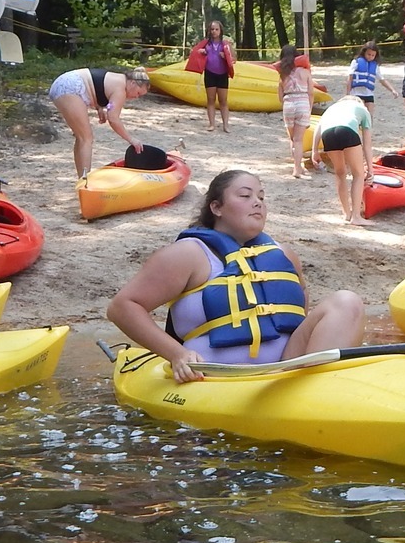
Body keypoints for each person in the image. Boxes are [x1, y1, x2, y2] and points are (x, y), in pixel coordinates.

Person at [107, 168, 365, 382]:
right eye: (245, 195)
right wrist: (175, 353)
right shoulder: (188, 254)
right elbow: (123, 307)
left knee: (347, 300)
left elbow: (299, 312)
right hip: (218, 377)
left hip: (284, 372)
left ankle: (317, 388)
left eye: (262, 198)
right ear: (217, 208)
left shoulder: (283, 254)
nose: (257, 203)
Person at [49, 65, 152, 178]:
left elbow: (98, 86)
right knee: (86, 138)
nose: (136, 97)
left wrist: (99, 107)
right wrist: (131, 139)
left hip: (65, 83)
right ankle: (85, 179)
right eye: (138, 93)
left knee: (82, 138)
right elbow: (113, 119)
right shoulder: (121, 89)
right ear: (132, 83)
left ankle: (82, 177)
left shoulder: (118, 79)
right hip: (70, 87)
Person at [312, 88, 374, 224]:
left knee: (340, 173)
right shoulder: (362, 109)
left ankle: (346, 213)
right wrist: (370, 168)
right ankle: (356, 217)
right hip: (347, 131)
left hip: (327, 134)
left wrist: (314, 150)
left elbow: (319, 126)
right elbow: (367, 145)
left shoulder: (333, 107)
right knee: (358, 174)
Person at [275, 43, 324, 179]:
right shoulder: (305, 72)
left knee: (292, 138)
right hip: (302, 103)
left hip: (288, 104)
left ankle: (298, 166)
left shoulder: (282, 75)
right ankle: (297, 169)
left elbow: (280, 97)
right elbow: (311, 93)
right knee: (298, 139)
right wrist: (308, 108)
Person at [188, 20, 236, 133]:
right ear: (209, 31)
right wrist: (200, 52)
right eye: (212, 29)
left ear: (220, 31)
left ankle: (226, 125)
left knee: (223, 101)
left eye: (216, 29)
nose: (214, 31)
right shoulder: (205, 44)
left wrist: (226, 56)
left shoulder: (226, 44)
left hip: (222, 74)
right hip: (209, 73)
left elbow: (234, 58)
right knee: (210, 100)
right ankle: (211, 124)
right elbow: (194, 53)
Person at [346, 40, 396, 119]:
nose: (370, 57)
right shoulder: (356, 62)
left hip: (369, 94)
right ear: (364, 52)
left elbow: (382, 80)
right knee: (358, 116)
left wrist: (392, 90)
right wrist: (348, 93)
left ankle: (368, 131)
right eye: (369, 54)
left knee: (369, 117)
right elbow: (350, 77)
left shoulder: (375, 66)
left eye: (373, 55)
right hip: (356, 93)